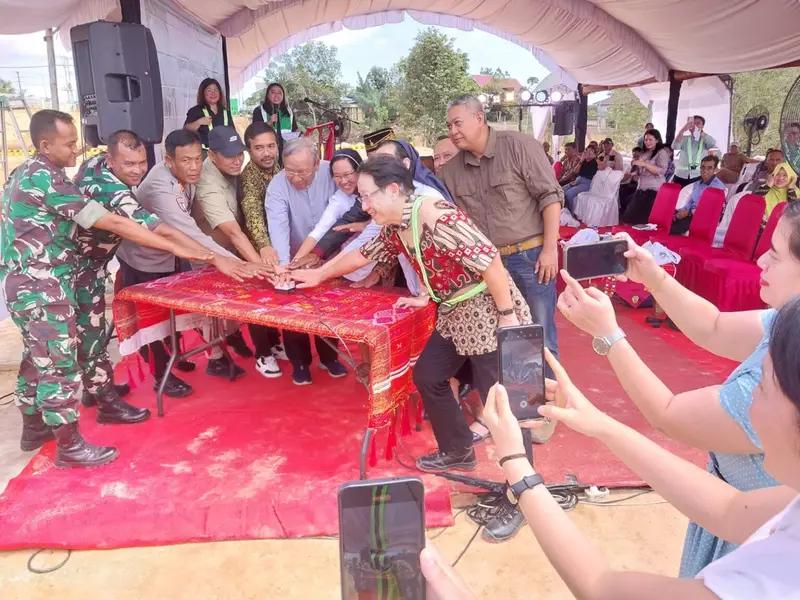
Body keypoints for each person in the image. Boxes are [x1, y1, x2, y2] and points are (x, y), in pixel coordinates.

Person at [428, 299, 800, 598]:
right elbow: (729, 510)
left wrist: (515, 463)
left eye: (760, 386)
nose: (746, 403)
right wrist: (601, 424)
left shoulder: (773, 577)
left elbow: (601, 587)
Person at [556, 204, 800, 576]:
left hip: (748, 541)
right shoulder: (787, 323)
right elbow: (713, 327)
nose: (762, 260)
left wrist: (608, 335)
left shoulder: (779, 388)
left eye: (777, 255)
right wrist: (652, 276)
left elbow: (669, 414)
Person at [289, 155, 531, 478]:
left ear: (392, 190)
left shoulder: (433, 213)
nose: (363, 205)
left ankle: (524, 489)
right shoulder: (395, 226)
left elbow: (489, 260)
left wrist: (507, 316)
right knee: (429, 376)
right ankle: (458, 450)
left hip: (489, 313)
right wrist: (319, 274)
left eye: (366, 195)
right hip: (454, 313)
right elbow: (364, 253)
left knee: (503, 403)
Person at [1, 111, 212, 467]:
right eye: (68, 144)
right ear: (44, 145)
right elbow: (112, 220)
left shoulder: (42, 172)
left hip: (46, 279)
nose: (76, 149)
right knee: (59, 360)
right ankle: (69, 446)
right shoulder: (44, 177)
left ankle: (35, 424)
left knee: (42, 353)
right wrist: (182, 249)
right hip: (42, 282)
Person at [439, 94, 562, 541]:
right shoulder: (450, 172)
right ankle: (517, 410)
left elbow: (550, 196)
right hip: (488, 268)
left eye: (458, 123)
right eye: (448, 125)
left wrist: (550, 247)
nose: (453, 131)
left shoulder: (517, 146)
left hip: (530, 255)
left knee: (538, 336)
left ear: (479, 118)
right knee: (503, 342)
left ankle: (541, 410)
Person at [74, 129, 239, 423]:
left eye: (140, 162)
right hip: (96, 265)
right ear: (111, 160)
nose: (137, 170)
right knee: (143, 321)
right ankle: (149, 379)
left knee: (156, 320)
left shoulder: (100, 165)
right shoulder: (120, 190)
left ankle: (94, 388)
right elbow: (162, 229)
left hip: (102, 263)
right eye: (129, 165)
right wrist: (211, 257)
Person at [116, 129, 264, 397]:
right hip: (144, 260)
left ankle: (193, 357)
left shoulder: (192, 174)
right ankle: (162, 376)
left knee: (176, 315)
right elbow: (188, 230)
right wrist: (231, 261)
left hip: (174, 254)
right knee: (155, 321)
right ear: (169, 160)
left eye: (198, 159)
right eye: (186, 161)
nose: (194, 166)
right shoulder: (161, 188)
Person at [195, 125, 283, 378]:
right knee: (221, 308)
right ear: (212, 155)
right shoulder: (209, 183)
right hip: (210, 251)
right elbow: (239, 227)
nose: (236, 160)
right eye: (228, 155)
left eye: (239, 153)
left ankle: (256, 343)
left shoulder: (243, 169)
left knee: (252, 298)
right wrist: (261, 264)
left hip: (238, 247)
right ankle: (219, 358)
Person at [266, 137, 347, 385]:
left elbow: (341, 217)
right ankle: (299, 362)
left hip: (330, 253)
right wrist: (284, 264)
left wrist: (324, 255)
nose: (295, 178)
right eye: (290, 171)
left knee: (328, 307)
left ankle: (329, 357)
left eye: (302, 172)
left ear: (316, 164)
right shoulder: (277, 185)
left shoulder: (330, 173)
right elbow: (278, 225)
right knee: (293, 308)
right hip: (293, 255)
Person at [291, 149, 363, 265]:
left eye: (347, 174)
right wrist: (295, 262)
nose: (343, 181)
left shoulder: (375, 192)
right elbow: (320, 230)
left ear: (359, 171)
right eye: (337, 176)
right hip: (352, 265)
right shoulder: (339, 199)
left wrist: (365, 225)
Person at [621, 128, 671, 225]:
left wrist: (645, 164)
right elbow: (641, 171)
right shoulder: (645, 153)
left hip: (653, 191)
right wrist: (633, 173)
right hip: (641, 189)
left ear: (657, 140)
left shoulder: (662, 152)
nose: (647, 142)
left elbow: (661, 171)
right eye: (646, 140)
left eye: (650, 139)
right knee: (628, 218)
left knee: (644, 222)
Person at [670, 155, 726, 235]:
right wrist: (684, 209)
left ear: (715, 170)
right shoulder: (698, 183)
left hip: (701, 218)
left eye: (709, 168)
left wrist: (688, 212)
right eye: (703, 167)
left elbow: (707, 207)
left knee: (672, 230)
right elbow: (691, 201)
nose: (705, 170)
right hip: (689, 214)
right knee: (665, 219)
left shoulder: (717, 187)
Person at [184, 78, 234, 152]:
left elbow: (233, 133)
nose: (213, 93)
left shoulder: (226, 112)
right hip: (204, 153)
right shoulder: (196, 111)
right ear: (203, 93)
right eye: (209, 90)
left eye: (215, 90)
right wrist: (199, 122)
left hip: (224, 152)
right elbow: (186, 130)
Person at [251, 82, 298, 157]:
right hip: (268, 153)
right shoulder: (259, 110)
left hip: (287, 152)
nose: (276, 95)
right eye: (273, 92)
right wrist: (269, 122)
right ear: (267, 95)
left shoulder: (288, 111)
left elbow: (294, 129)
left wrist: (301, 135)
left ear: (283, 96)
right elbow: (254, 131)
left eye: (279, 93)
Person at [672, 115, 717, 186]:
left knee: (694, 196)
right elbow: (674, 146)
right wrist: (683, 129)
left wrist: (700, 132)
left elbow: (712, 143)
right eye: (693, 123)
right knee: (677, 195)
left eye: (698, 123)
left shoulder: (705, 140)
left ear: (702, 126)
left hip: (697, 175)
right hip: (680, 175)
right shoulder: (684, 138)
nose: (695, 125)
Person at [563, 146, 598, 213]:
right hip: (578, 179)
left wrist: (594, 157)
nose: (588, 152)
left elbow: (601, 166)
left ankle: (571, 213)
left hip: (587, 183)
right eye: (587, 150)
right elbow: (575, 171)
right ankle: (564, 210)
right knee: (562, 190)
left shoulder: (596, 162)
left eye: (591, 151)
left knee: (569, 194)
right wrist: (581, 160)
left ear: (594, 153)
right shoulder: (583, 161)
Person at [618, 146, 643, 216]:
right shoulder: (631, 164)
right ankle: (622, 211)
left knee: (626, 195)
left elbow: (636, 177)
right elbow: (627, 175)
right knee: (620, 190)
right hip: (629, 183)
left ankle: (626, 212)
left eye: (637, 156)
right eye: (634, 156)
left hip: (637, 186)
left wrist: (632, 174)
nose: (635, 157)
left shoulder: (642, 165)